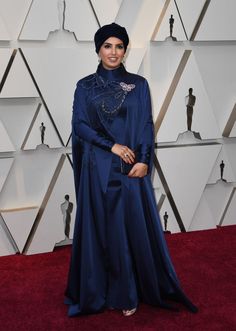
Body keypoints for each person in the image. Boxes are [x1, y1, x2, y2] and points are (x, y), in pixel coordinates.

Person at [65, 22, 198, 317]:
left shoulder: (139, 84)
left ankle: (127, 292)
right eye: (108, 46)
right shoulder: (84, 86)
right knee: (101, 229)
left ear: (125, 50)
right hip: (96, 171)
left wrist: (144, 160)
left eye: (119, 46)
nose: (114, 52)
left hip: (129, 169)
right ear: (98, 49)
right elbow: (79, 125)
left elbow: (146, 125)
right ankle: (95, 289)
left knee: (127, 231)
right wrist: (110, 146)